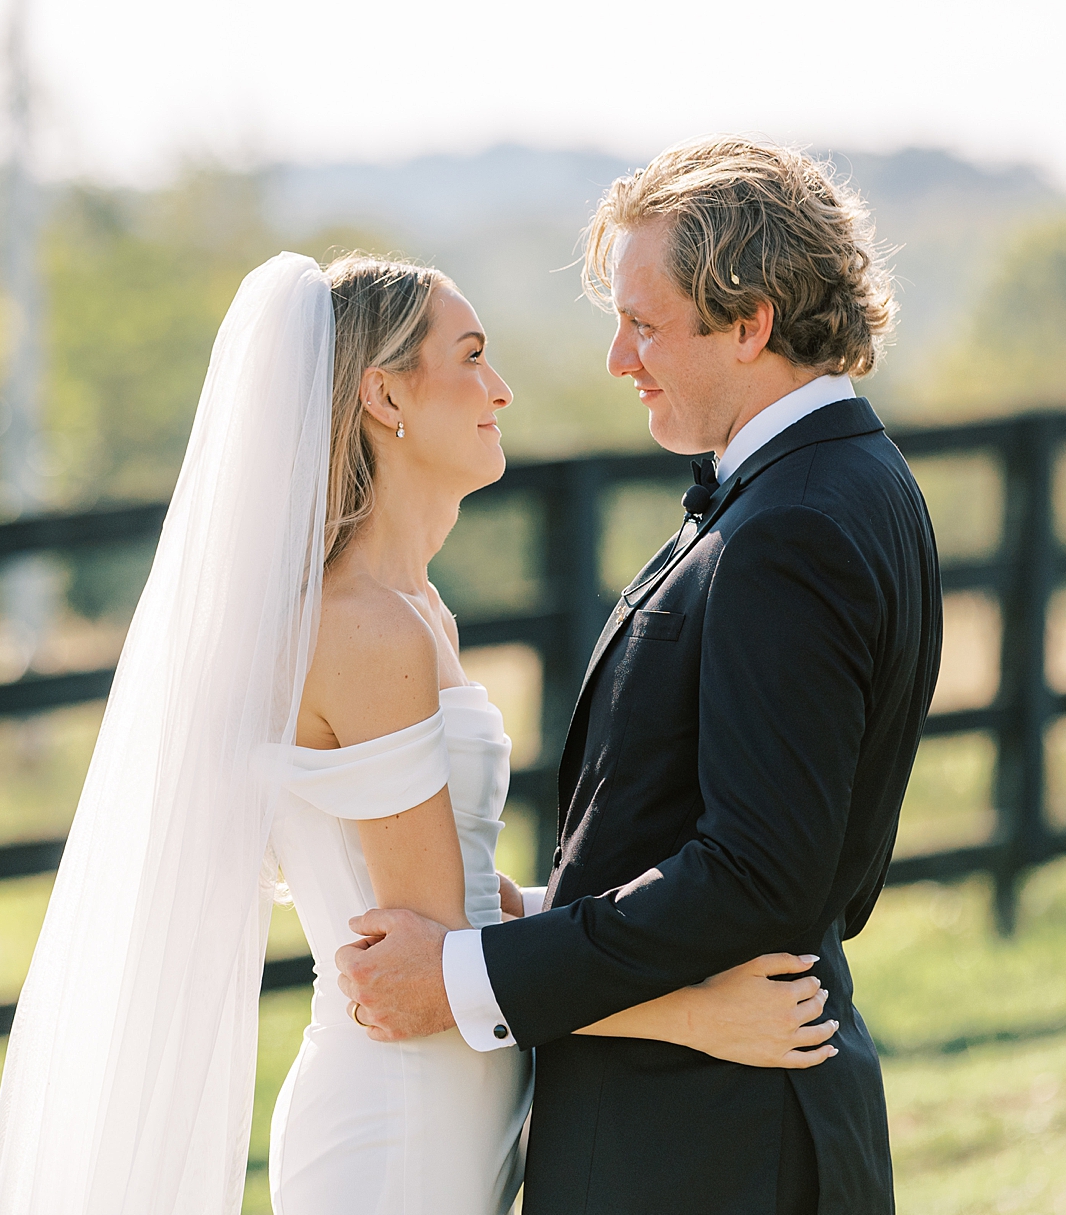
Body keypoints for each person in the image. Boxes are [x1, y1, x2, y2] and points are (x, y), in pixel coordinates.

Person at [0, 248, 838, 1215]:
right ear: (385, 396)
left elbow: (465, 900)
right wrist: (695, 1016)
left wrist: (608, 917)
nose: (500, 389)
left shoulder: (417, 607)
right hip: (396, 1117)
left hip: (461, 1099)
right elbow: (436, 953)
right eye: (470, 356)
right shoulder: (363, 628)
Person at [338, 137, 945, 1215]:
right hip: (734, 1117)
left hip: (706, 1146)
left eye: (644, 322)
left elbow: (757, 872)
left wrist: (463, 978)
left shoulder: (787, 527)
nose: (619, 358)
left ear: (750, 321)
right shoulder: (839, 481)